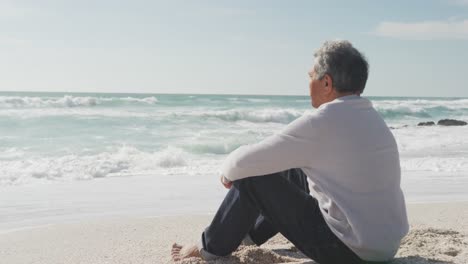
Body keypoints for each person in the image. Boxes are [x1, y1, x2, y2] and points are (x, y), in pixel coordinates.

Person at [171, 40, 409, 264]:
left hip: (348, 251)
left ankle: (209, 248)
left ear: (326, 83)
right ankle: (248, 236)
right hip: (385, 247)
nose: (308, 83)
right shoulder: (373, 118)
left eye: (310, 76)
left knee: (252, 177)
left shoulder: (323, 120)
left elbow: (243, 163)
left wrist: (227, 172)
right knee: (292, 168)